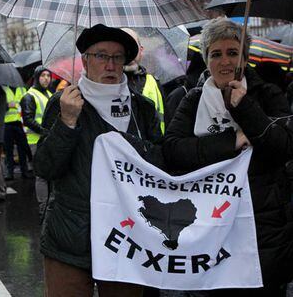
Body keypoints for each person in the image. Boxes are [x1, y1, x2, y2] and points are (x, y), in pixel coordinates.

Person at [163, 18, 293, 297]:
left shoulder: (268, 94)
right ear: (206, 59)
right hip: (207, 226)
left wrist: (245, 107)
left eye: (233, 53)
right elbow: (172, 151)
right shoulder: (193, 99)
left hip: (262, 230)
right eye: (216, 54)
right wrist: (229, 141)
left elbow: (282, 147)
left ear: (244, 58)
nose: (224, 61)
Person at [34, 24, 163, 297]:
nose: (110, 64)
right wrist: (67, 122)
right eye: (101, 56)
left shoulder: (141, 108)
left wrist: (131, 145)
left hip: (127, 235)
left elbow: (160, 165)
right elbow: (46, 167)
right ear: (85, 61)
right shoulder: (63, 103)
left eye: (117, 57)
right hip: (70, 236)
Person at [21, 66, 53, 216]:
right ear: (36, 77)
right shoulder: (29, 96)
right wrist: (44, 131)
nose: (46, 78)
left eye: (48, 75)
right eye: (43, 75)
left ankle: (50, 204)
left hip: (48, 138)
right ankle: (43, 206)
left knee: (51, 172)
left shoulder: (48, 93)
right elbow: (27, 119)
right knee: (41, 174)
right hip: (36, 140)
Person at [122, 28, 166, 134]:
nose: (130, 53)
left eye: (133, 47)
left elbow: (166, 119)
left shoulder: (154, 82)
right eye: (124, 48)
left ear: (141, 50)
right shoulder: (108, 85)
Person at [3, 84, 32, 180]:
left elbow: (27, 104)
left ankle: (25, 171)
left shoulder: (22, 89)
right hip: (7, 123)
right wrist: (7, 105)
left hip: (20, 123)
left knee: (22, 148)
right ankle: (9, 172)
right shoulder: (3, 90)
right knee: (8, 149)